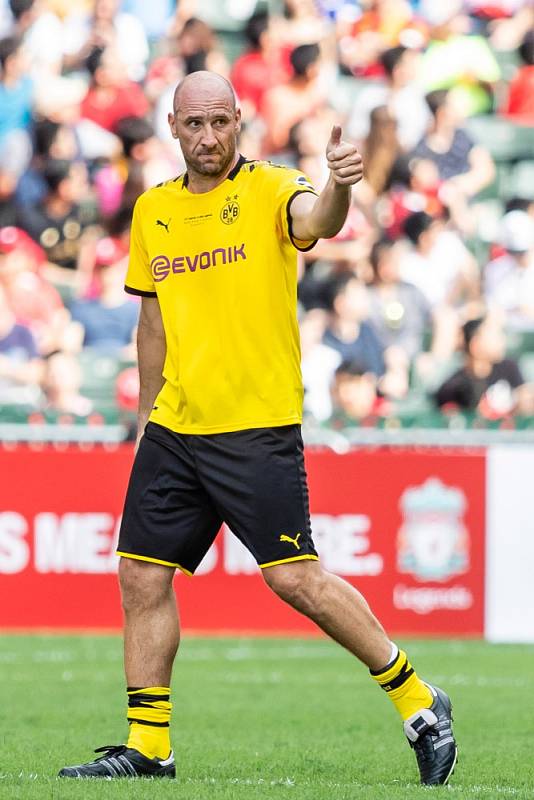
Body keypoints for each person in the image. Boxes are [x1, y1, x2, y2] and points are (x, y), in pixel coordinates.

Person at [58, 70, 457, 786]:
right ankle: (149, 746)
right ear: (174, 128)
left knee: (296, 579)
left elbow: (318, 221)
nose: (208, 137)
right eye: (194, 124)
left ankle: (419, 699)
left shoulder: (271, 188)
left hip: (256, 426)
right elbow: (152, 318)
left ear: (239, 122)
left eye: (220, 122)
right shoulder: (153, 211)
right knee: (141, 576)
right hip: (177, 426)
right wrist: (148, 415)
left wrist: (340, 185)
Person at [434, 315, 530, 417]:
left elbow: (524, 398)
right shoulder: (454, 387)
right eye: (493, 337)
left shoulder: (509, 367)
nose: (501, 341)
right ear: (475, 345)